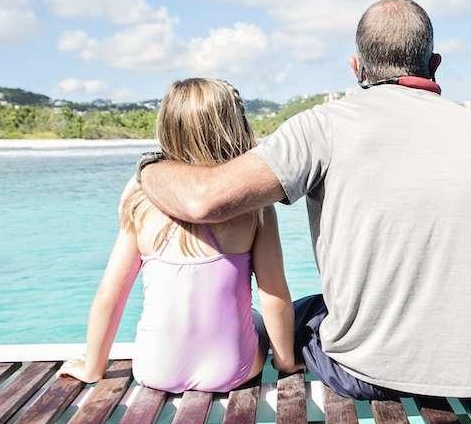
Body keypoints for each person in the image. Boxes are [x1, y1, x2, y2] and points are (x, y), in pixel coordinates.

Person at [140, 0, 471, 399]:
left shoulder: (325, 125)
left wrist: (149, 168)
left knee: (291, 320)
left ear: (356, 67)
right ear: (434, 65)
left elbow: (202, 201)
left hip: (374, 374)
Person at [59, 78, 298, 391]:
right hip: (232, 370)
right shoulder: (255, 208)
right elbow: (274, 295)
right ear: (235, 125)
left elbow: (111, 295)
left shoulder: (140, 201)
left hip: (153, 369)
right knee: (254, 318)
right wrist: (286, 362)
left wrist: (93, 366)